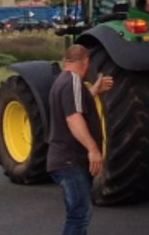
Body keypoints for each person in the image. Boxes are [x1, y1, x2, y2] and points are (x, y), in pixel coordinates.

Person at [46, 44, 113, 235]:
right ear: (86, 62)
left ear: (66, 60)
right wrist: (93, 149)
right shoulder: (74, 81)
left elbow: (74, 104)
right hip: (70, 161)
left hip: (62, 160)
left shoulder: (61, 81)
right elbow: (74, 117)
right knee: (79, 215)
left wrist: (95, 91)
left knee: (77, 213)